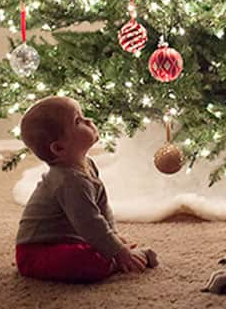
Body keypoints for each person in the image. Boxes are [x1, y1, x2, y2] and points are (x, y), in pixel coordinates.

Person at [15, 96, 158, 282]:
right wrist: (119, 252)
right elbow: (89, 222)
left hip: (68, 240)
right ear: (59, 148)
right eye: (78, 121)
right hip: (36, 253)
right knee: (90, 262)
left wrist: (113, 237)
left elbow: (101, 205)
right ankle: (120, 261)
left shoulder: (88, 164)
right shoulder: (69, 180)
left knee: (103, 245)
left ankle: (115, 253)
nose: (88, 121)